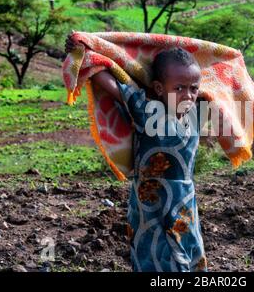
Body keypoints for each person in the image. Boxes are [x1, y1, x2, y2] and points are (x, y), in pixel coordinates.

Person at [66, 37, 210, 272]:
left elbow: (223, 82)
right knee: (151, 256)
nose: (188, 95)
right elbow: (110, 82)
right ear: (159, 88)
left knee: (189, 255)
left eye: (193, 88)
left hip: (184, 201)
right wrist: (84, 52)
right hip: (149, 204)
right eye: (179, 88)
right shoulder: (147, 110)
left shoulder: (198, 111)